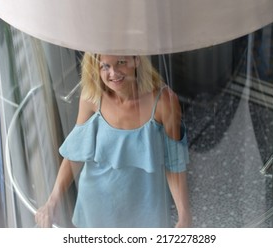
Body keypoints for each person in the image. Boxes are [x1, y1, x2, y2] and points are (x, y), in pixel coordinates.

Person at [35, 53, 191, 228]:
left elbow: (174, 163)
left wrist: (184, 215)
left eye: (121, 62)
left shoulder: (164, 102)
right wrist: (52, 202)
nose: (114, 73)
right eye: (105, 66)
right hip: (96, 208)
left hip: (146, 209)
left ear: (136, 59)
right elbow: (75, 155)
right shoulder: (92, 98)